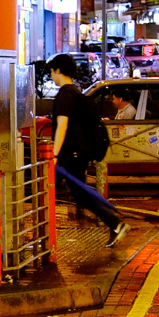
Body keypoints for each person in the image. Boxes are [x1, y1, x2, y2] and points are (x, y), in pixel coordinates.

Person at [46, 56, 129, 245]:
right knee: (77, 192)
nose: (51, 76)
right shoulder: (76, 92)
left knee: (49, 191)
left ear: (58, 70)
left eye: (52, 71)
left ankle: (42, 237)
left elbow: (62, 125)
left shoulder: (64, 96)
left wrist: (54, 155)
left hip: (67, 155)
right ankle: (114, 223)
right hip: (79, 153)